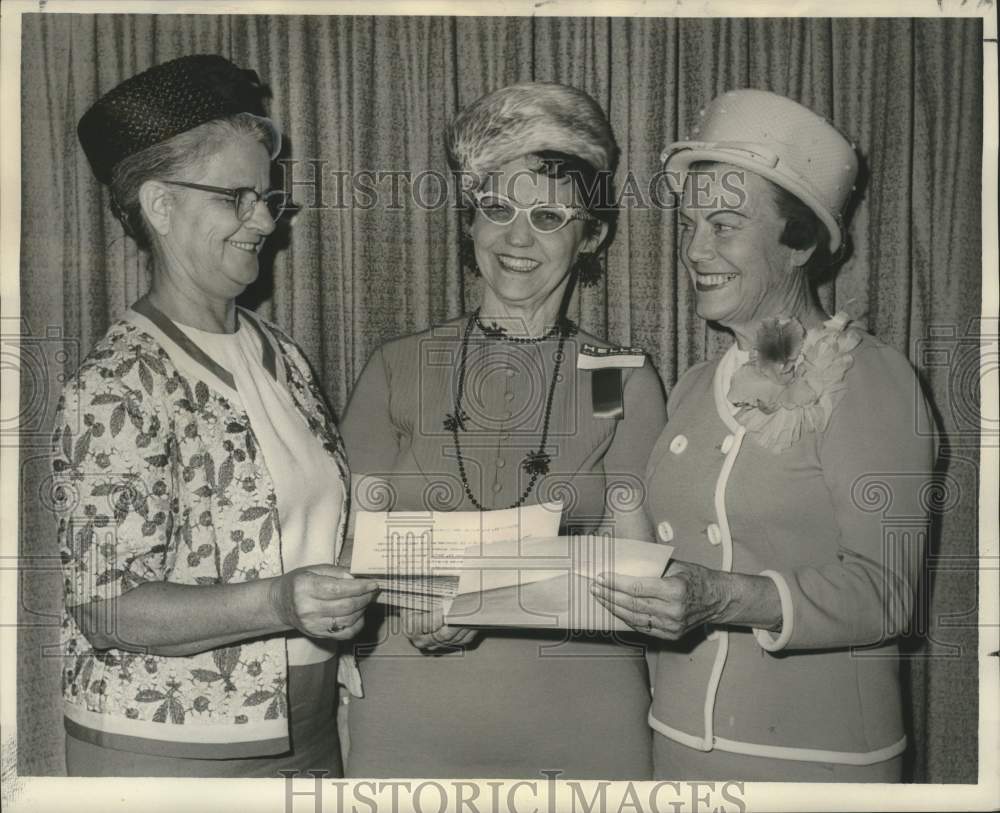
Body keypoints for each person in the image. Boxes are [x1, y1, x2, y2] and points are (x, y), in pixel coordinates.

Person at [593, 89, 936, 781]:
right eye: (690, 224)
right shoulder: (691, 385)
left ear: (800, 241)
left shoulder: (872, 378)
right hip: (676, 746)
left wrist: (726, 596)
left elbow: (888, 591)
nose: (694, 250)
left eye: (724, 225)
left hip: (815, 765)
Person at [52, 54, 378, 777]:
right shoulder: (115, 381)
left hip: (310, 729)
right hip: (169, 751)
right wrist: (279, 601)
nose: (264, 218)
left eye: (267, 197)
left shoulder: (283, 357)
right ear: (161, 205)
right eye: (236, 197)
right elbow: (105, 606)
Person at [340, 81, 667, 779]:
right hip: (410, 719)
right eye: (496, 209)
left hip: (583, 721)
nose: (518, 239)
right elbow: (352, 550)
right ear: (469, 222)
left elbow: (633, 576)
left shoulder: (616, 375)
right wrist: (410, 590)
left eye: (550, 216)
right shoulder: (397, 366)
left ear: (594, 234)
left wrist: (468, 590)